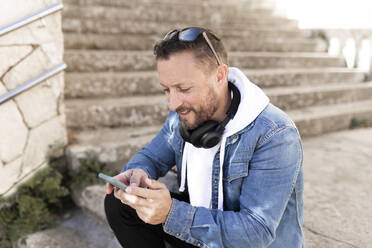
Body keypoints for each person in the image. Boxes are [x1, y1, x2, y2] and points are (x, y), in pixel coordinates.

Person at [104, 27, 304, 248]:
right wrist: (137, 173)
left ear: (220, 76)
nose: (173, 103)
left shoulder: (275, 133)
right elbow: (152, 156)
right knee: (120, 204)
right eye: (166, 90)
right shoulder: (182, 114)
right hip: (203, 228)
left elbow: (256, 232)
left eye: (184, 88)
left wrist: (171, 213)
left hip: (246, 242)